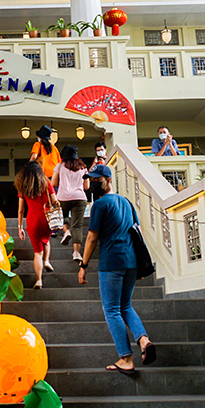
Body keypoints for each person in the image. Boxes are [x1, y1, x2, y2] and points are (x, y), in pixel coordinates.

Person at [79, 164, 156, 375]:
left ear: (109, 180)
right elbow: (137, 231)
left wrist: (83, 265)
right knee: (125, 306)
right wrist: (139, 266)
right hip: (130, 261)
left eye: (97, 180)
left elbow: (92, 237)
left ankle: (126, 359)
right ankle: (144, 340)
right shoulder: (127, 202)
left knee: (112, 309)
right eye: (92, 181)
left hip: (111, 262)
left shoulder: (100, 205)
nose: (94, 184)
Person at [15, 161, 58, 289]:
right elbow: (55, 201)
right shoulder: (47, 184)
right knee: (46, 241)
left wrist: (20, 227)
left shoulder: (23, 187)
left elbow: (21, 210)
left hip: (32, 220)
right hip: (46, 218)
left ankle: (39, 280)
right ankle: (47, 261)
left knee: (37, 252)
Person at [51, 145, 89, 262]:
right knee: (77, 226)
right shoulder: (83, 167)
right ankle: (76, 253)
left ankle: (66, 231)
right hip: (80, 198)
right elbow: (87, 186)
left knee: (62, 217)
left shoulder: (59, 166)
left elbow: (53, 183)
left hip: (63, 197)